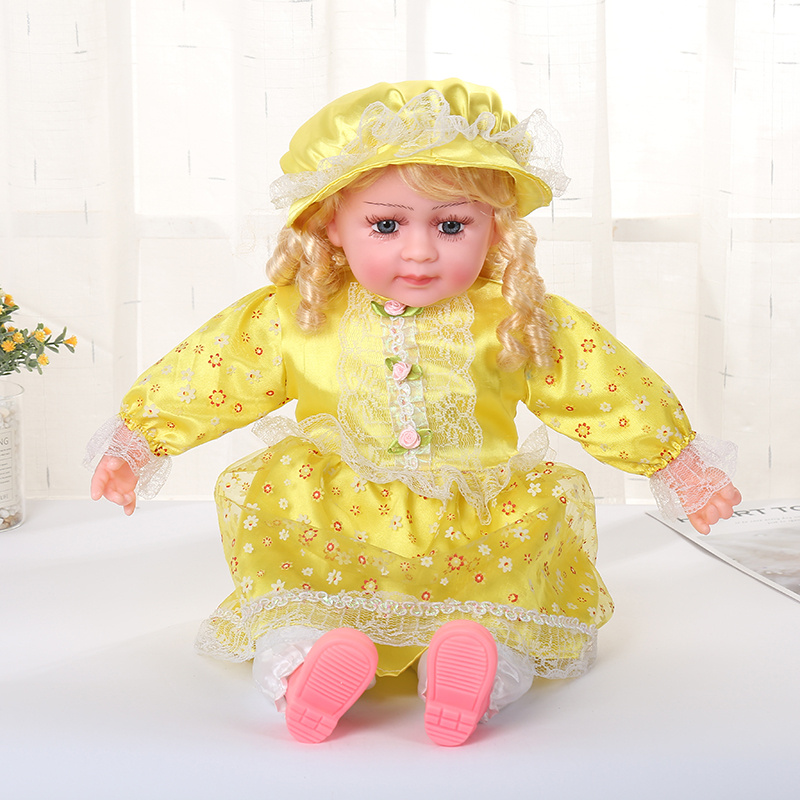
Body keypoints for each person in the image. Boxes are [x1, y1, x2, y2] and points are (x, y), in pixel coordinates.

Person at [87, 78, 741, 746]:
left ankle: (474, 661)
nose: (421, 250)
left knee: (508, 589)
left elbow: (600, 387)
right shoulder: (298, 314)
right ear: (331, 224)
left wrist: (679, 465)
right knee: (290, 582)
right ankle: (310, 658)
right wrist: (139, 442)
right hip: (332, 524)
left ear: (495, 225)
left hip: (477, 526)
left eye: (452, 225)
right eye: (386, 225)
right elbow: (214, 371)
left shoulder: (514, 317)